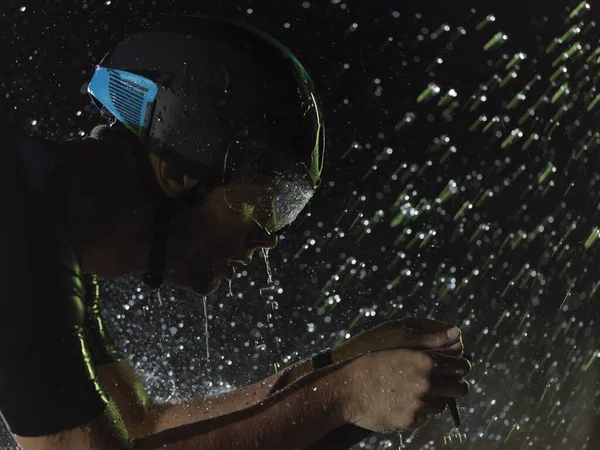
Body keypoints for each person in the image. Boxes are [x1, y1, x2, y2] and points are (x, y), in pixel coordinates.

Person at [0, 14, 471, 450]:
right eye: (265, 200)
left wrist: (336, 368)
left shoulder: (50, 233)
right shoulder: (19, 232)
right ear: (180, 171)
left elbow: (141, 427)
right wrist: (340, 397)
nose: (270, 238)